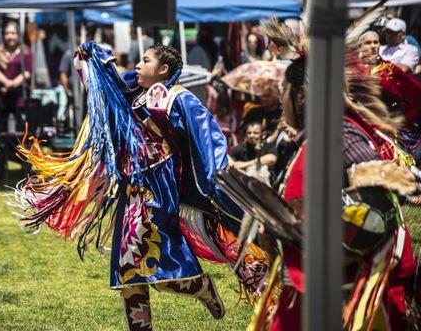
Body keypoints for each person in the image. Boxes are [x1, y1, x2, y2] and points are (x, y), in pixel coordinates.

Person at [13, 42, 267, 331]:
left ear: (163, 69)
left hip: (158, 195)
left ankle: (200, 287)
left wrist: (218, 183)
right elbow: (106, 91)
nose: (137, 65)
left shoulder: (178, 99)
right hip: (131, 193)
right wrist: (96, 61)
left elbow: (207, 139)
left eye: (144, 61)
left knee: (164, 271)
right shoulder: (134, 95)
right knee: (129, 276)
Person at [249, 54, 418, 331]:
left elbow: (377, 207)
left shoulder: (340, 135)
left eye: (284, 91)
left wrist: (320, 245)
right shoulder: (317, 137)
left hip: (342, 295)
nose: (281, 100)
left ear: (301, 95)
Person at [0, 21, 32, 179]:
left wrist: (13, 84)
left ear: (18, 35)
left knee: (22, 134)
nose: (10, 36)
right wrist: (6, 82)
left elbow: (27, 72)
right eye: (7, 33)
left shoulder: (25, 52)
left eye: (13, 33)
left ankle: (25, 166)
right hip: (1, 100)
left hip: (20, 99)